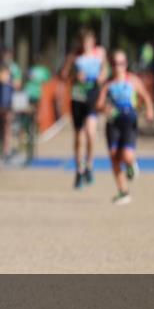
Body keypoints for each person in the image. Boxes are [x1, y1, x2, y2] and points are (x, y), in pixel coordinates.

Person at [96, 50, 154, 205]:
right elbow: (99, 105)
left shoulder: (133, 81)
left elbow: (146, 97)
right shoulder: (108, 85)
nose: (118, 67)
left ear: (126, 64)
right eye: (115, 64)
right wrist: (105, 109)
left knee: (127, 155)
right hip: (113, 123)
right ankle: (123, 192)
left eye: (121, 63)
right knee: (114, 156)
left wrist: (150, 110)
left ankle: (131, 165)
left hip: (129, 120)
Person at [60, 28, 108, 189]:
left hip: (92, 95)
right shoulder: (74, 56)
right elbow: (64, 74)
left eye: (89, 41)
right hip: (78, 97)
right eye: (83, 41)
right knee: (79, 137)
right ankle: (79, 171)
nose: (86, 44)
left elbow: (106, 71)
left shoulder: (100, 53)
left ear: (93, 41)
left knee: (91, 134)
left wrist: (102, 77)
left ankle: (89, 164)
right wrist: (75, 76)